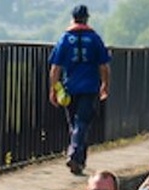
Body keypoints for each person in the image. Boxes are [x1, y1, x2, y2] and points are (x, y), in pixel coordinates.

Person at [48, 5, 111, 176]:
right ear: (86, 19)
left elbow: (55, 68)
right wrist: (105, 84)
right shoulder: (95, 39)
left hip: (70, 88)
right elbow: (104, 66)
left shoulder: (65, 39)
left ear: (73, 19)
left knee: (74, 125)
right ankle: (76, 155)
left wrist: (53, 89)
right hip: (90, 88)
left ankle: (78, 161)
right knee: (82, 123)